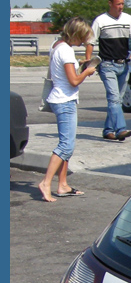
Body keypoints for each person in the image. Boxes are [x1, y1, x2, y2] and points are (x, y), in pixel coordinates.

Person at [37, 17, 96, 202]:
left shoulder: (57, 45)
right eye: (83, 37)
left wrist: (79, 66)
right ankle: (46, 183)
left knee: (67, 144)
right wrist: (88, 71)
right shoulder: (67, 51)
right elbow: (74, 81)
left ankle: (62, 185)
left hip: (58, 98)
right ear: (76, 34)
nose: (84, 41)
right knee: (66, 145)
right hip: (65, 101)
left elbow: (64, 74)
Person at [85, 0, 131, 142]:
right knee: (114, 99)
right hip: (107, 64)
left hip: (123, 65)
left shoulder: (128, 19)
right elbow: (90, 42)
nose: (120, 7)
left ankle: (108, 129)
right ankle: (120, 129)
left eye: (122, 4)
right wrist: (88, 61)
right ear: (110, 3)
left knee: (118, 99)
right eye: (118, 4)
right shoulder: (100, 21)